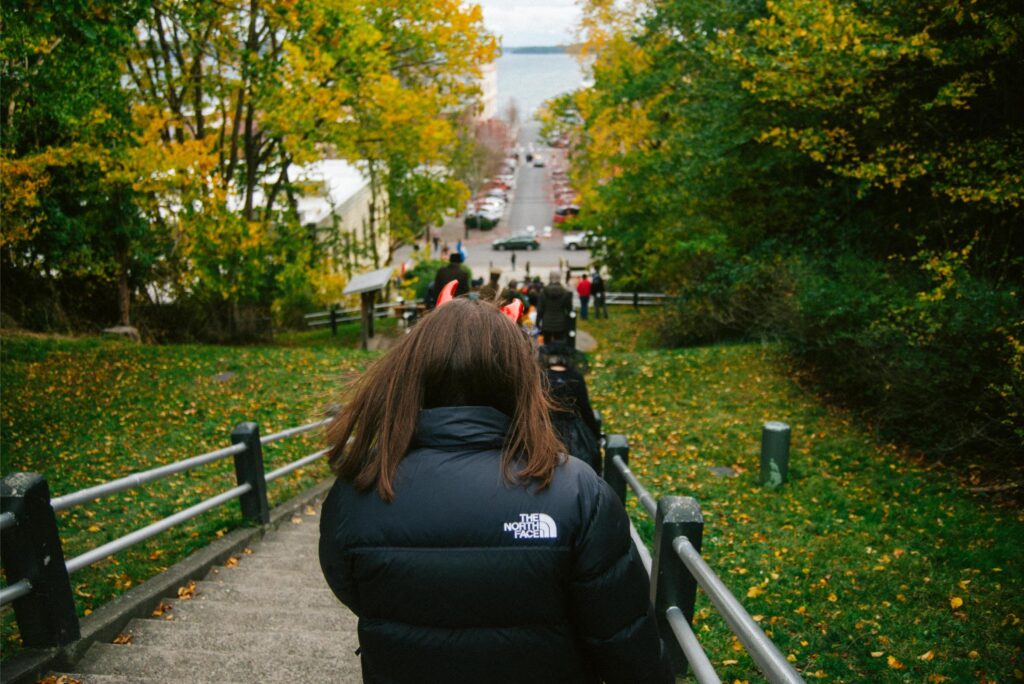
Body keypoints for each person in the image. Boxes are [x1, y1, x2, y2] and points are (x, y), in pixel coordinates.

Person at [319, 297, 673, 684]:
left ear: (409, 375)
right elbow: (625, 642)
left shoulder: (359, 489)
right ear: (518, 377)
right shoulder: (577, 492)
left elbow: (352, 589)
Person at [540, 343, 601, 472]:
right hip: (574, 432)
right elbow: (585, 409)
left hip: (547, 429)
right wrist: (595, 434)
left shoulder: (541, 377)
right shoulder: (576, 377)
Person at [538, 270, 573, 344]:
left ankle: (547, 355)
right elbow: (570, 310)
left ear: (550, 278)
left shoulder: (543, 292)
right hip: (561, 323)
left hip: (547, 322)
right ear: (559, 278)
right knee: (559, 345)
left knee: (547, 345)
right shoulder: (566, 293)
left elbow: (540, 310)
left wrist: (537, 322)